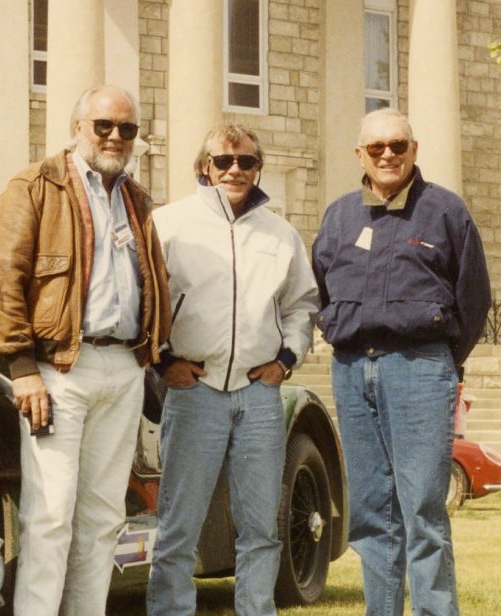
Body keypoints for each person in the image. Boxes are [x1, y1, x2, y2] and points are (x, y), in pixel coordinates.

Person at [0, 84, 171, 616]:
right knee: (49, 515)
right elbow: (2, 277)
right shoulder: (36, 185)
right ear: (78, 127)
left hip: (123, 369)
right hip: (58, 371)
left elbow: (153, 281)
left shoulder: (135, 199)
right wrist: (22, 367)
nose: (115, 137)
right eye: (103, 126)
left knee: (103, 518)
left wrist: (154, 354)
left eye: (127, 129)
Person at [311, 108, 491, 616]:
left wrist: (439, 361)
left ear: (414, 150)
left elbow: (474, 297)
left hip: (420, 369)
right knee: (370, 512)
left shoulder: (445, 212)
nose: (387, 155)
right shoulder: (340, 216)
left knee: (422, 513)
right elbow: (321, 286)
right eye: (376, 148)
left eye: (397, 145)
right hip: (351, 371)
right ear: (359, 155)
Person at [146, 123, 319, 616]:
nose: (234, 170)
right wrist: (163, 361)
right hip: (194, 391)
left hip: (258, 396)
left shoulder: (280, 233)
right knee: (181, 527)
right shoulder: (170, 223)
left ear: (257, 167)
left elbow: (301, 305)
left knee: (262, 528)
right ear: (205, 166)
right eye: (223, 161)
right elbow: (147, 299)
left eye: (245, 161)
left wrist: (287, 360)